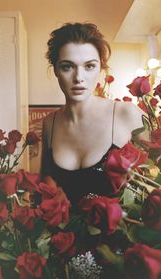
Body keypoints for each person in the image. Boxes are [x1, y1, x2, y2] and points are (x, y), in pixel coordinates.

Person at [41, 22, 146, 207]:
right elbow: (46, 186)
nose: (79, 77)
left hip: (123, 233)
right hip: (67, 235)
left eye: (89, 66)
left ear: (101, 69)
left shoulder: (126, 114)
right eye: (67, 67)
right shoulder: (50, 122)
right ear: (56, 70)